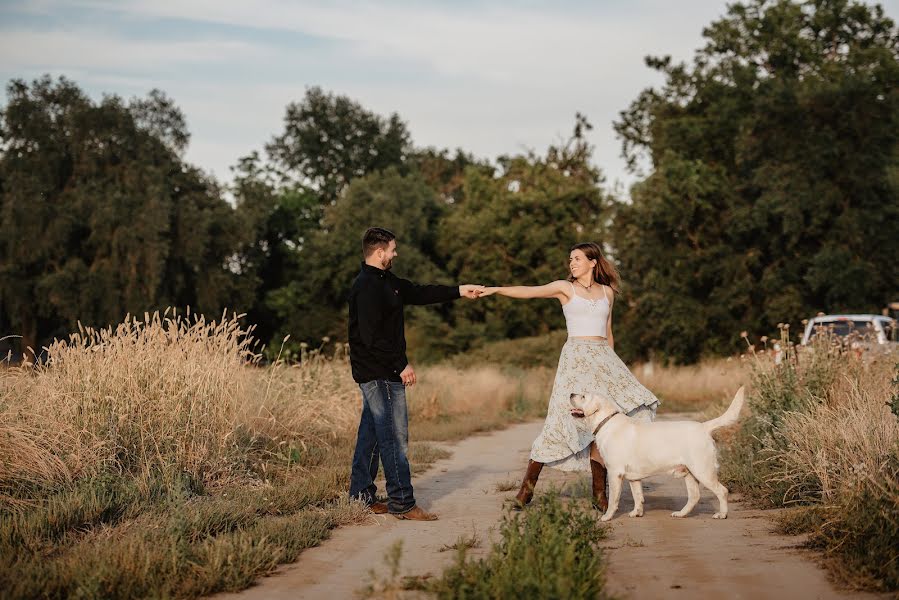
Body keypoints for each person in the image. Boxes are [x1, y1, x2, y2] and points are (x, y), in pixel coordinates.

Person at [479, 242, 660, 511]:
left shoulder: (608, 293)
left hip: (603, 359)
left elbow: (608, 332)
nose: (571, 263)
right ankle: (526, 491)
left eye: (577, 259)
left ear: (593, 262)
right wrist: (495, 289)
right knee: (560, 419)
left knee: (603, 422)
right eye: (570, 259)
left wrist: (612, 367)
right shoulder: (566, 288)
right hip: (575, 358)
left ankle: (600, 493)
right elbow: (529, 292)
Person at [348, 227, 484, 521]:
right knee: (395, 438)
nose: (396, 254)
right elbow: (372, 338)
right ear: (379, 252)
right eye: (393, 249)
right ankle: (402, 502)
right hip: (378, 372)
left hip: (382, 370)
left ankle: (361, 497)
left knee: (371, 435)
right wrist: (401, 365)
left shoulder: (388, 282)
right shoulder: (366, 286)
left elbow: (420, 292)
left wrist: (460, 290)